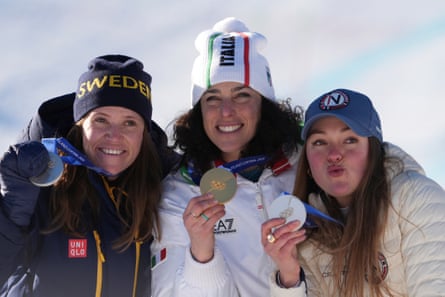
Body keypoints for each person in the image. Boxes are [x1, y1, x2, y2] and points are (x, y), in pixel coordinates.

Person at [150, 17, 304, 296]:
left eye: (242, 95)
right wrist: (201, 251)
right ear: (198, 111)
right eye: (212, 98)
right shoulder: (180, 192)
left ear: (265, 104)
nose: (226, 111)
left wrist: (290, 277)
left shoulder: (306, 165)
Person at [0, 54, 172, 297]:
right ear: (79, 125)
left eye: (129, 123)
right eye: (101, 120)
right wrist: (11, 213)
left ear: (144, 133)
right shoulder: (40, 186)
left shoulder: (162, 190)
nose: (114, 135)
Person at [263, 88, 445, 296]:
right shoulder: (305, 227)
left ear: (373, 151)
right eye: (320, 142)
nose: (333, 155)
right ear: (307, 162)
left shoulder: (416, 198)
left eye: (350, 140)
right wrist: (289, 277)